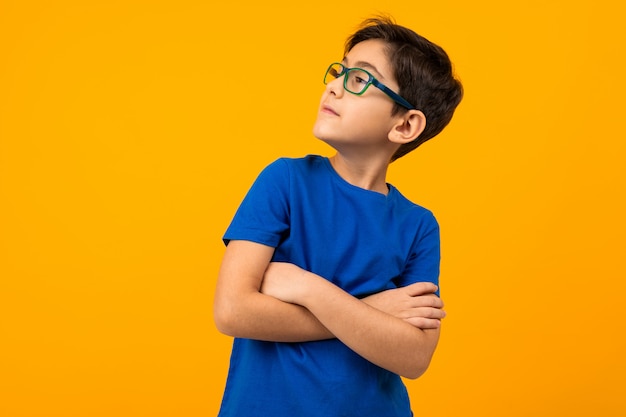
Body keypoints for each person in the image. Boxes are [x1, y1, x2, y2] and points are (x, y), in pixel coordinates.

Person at [213, 15, 463, 417]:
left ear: (405, 125)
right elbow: (233, 311)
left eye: (359, 80)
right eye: (339, 70)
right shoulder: (285, 181)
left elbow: (415, 357)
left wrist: (308, 288)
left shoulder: (419, 225)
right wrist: (375, 310)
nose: (334, 85)